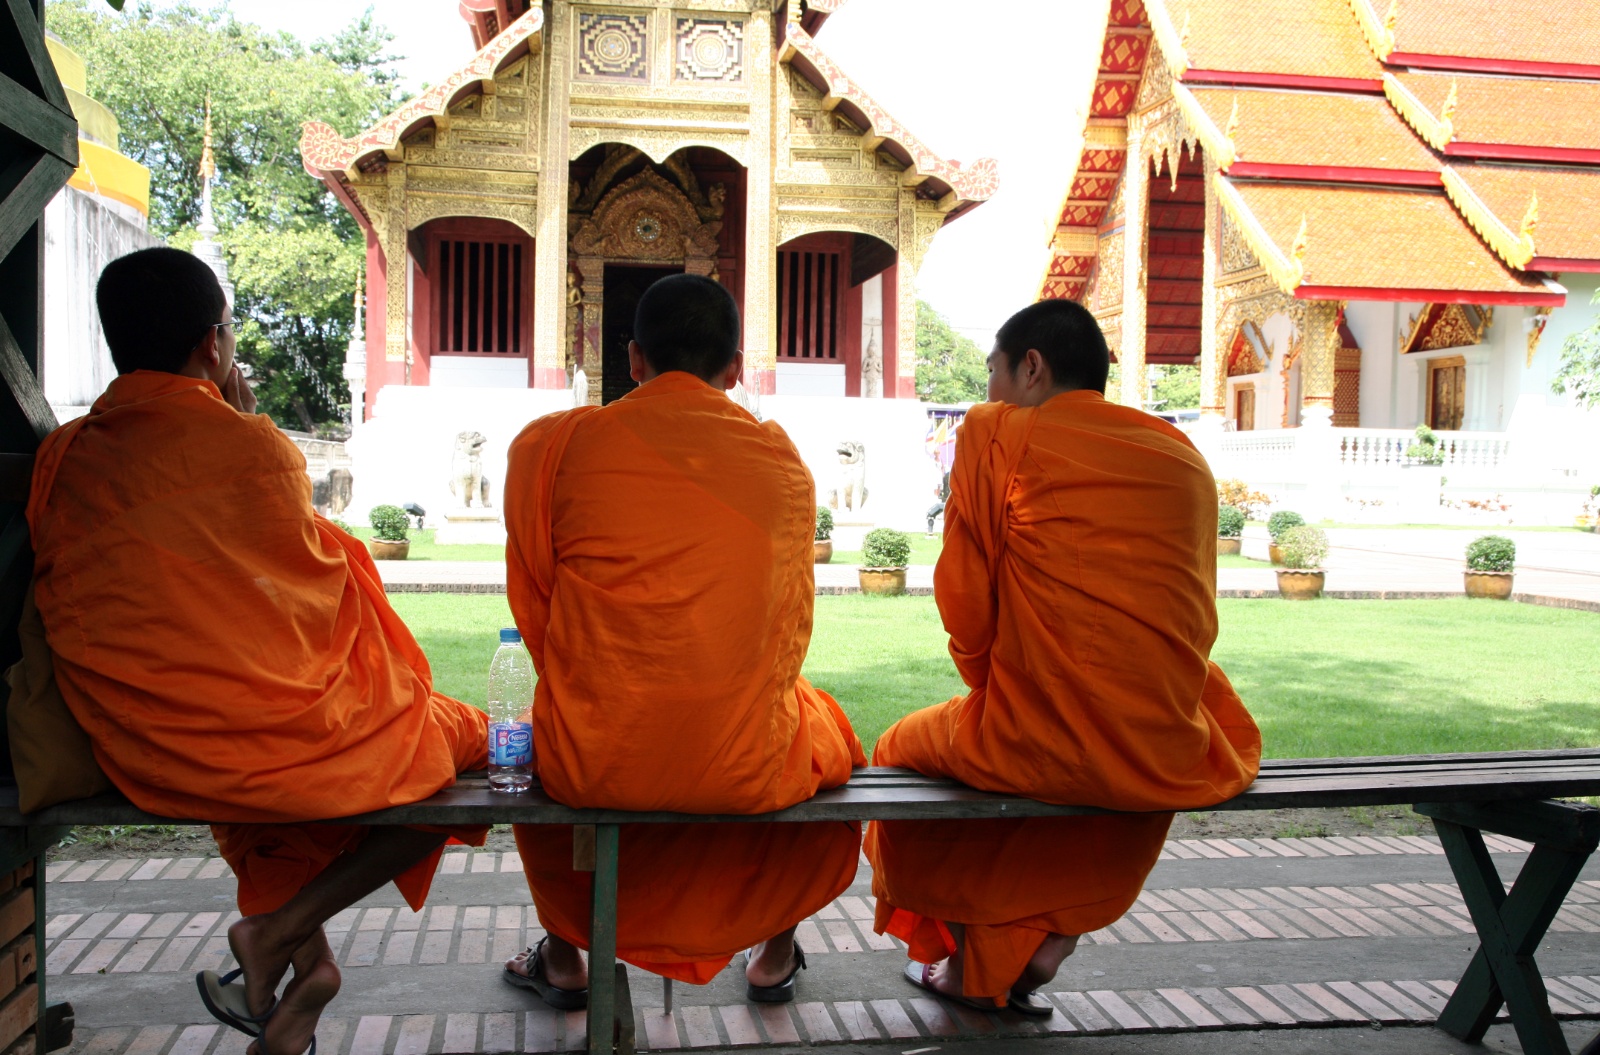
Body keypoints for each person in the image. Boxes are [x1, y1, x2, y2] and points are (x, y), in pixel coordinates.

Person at [25, 248, 489, 1055]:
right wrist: (245, 432)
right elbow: (324, 578)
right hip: (245, 746)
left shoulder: (66, 455)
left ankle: (308, 975)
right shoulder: (257, 449)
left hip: (144, 746)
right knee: (450, 759)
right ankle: (278, 931)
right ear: (214, 345)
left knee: (243, 743)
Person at [866, 299, 1261, 1014]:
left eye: (992, 372)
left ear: (1031, 367)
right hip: (1161, 738)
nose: (988, 392)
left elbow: (966, 609)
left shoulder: (998, 438)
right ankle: (1053, 932)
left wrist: (995, 686)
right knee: (1137, 746)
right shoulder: (1180, 456)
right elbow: (1195, 613)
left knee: (896, 751)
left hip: (1036, 731)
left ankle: (977, 952)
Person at [501, 273, 865, 1007]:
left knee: (546, 733)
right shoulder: (781, 463)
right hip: (745, 761)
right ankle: (775, 951)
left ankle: (566, 955)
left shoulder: (555, 446)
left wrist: (602, 686)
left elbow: (537, 610)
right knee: (830, 734)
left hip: (593, 760)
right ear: (735, 369)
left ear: (634, 359)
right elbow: (788, 626)